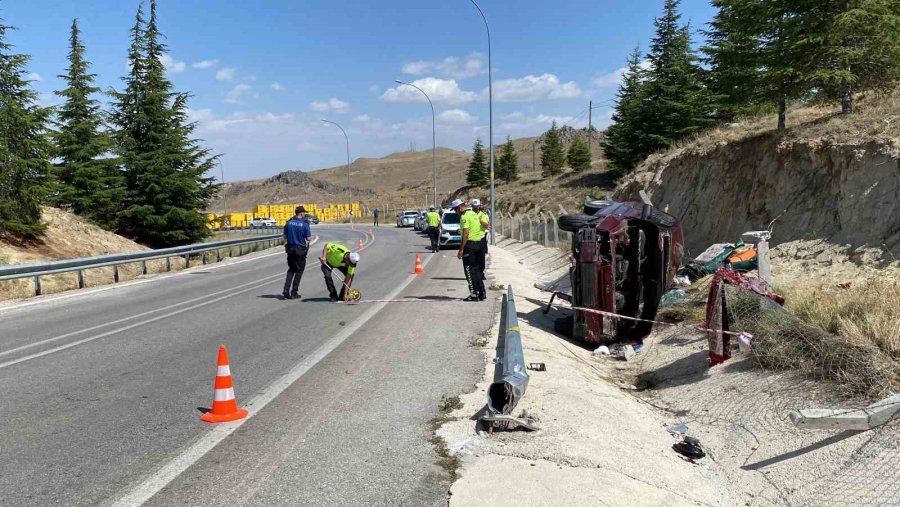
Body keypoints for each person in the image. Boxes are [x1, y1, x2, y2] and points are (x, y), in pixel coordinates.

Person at [451, 198, 486, 302]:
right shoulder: (474, 214)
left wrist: (461, 249)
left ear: (459, 207)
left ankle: (473, 294)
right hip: (479, 244)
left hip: (470, 246)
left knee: (469, 271)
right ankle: (481, 292)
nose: (455, 212)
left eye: (455, 209)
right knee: (477, 270)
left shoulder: (464, 217)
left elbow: (466, 233)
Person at [282, 206, 312, 300]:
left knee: (291, 269)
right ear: (301, 213)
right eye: (304, 213)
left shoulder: (288, 223)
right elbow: (308, 238)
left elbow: (284, 236)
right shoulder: (304, 224)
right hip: (300, 250)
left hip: (290, 249)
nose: (304, 214)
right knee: (299, 271)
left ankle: (286, 290)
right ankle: (294, 292)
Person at [470, 198, 490, 284]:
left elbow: (486, 226)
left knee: (481, 258)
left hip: (481, 239)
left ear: (479, 206)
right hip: (472, 239)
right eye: (474, 207)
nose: (475, 208)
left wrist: (480, 220)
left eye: (477, 207)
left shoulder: (483, 215)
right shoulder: (469, 215)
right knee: (472, 259)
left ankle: (481, 273)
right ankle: (474, 273)